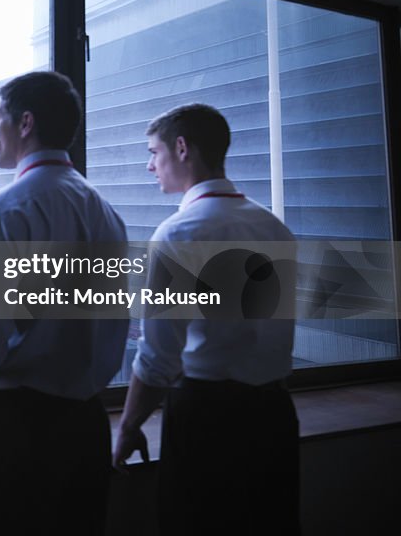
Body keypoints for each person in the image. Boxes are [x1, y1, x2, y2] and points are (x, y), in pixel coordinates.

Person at [0, 71, 128, 536]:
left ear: (25, 123)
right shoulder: (107, 216)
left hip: (13, 437)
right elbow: (112, 327)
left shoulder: (1, 212)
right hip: (86, 429)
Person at [112, 103, 299, 535]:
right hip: (273, 414)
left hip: (208, 418)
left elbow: (158, 357)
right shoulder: (273, 228)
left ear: (181, 149)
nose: (149, 165)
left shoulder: (178, 234)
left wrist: (128, 426)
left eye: (153, 152)